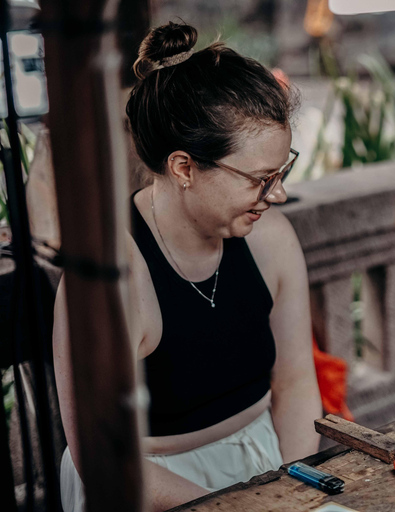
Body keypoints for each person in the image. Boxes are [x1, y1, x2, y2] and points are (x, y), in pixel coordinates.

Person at [53, 22, 322, 511]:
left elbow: (296, 382)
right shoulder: (111, 274)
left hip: (264, 464)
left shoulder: (272, 238)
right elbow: (101, 453)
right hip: (149, 487)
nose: (277, 194)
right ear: (183, 168)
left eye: (281, 173)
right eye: (261, 179)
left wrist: (291, 485)